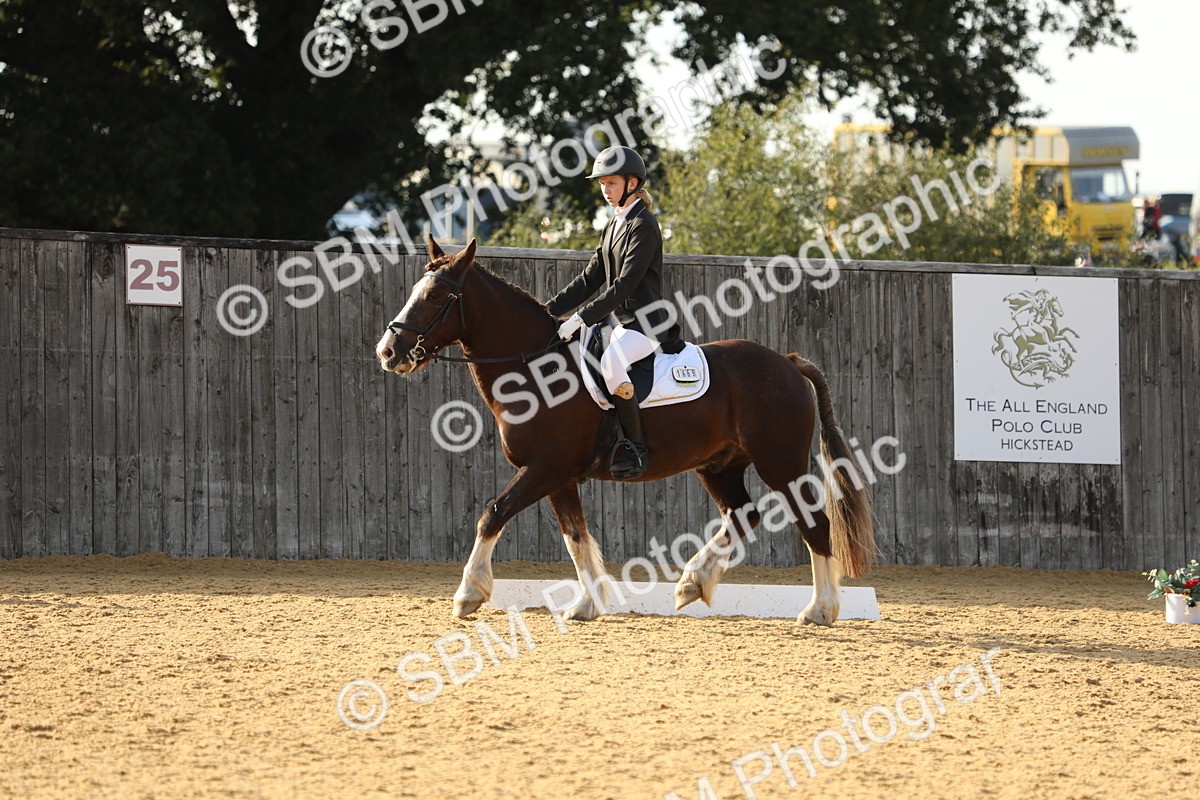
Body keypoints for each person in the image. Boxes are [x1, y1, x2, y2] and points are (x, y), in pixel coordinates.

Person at [546, 146, 681, 480]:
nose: (605, 191)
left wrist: (580, 319)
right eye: (602, 184)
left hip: (646, 323)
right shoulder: (614, 225)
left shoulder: (643, 225)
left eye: (611, 183)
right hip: (617, 322)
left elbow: (625, 284)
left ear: (632, 182)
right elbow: (589, 279)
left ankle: (636, 447)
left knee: (611, 363)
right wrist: (548, 310)